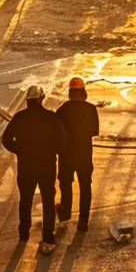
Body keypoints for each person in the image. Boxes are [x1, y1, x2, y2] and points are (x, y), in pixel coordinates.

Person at [2, 84, 65, 252]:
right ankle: (48, 235)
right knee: (48, 201)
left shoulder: (20, 117)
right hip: (46, 166)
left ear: (28, 100)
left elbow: (6, 139)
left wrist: (19, 150)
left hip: (26, 167)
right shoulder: (51, 117)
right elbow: (62, 142)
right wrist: (51, 151)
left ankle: (23, 233)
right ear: (41, 99)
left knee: (25, 200)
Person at [56, 77, 100, 231]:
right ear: (83, 93)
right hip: (84, 156)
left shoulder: (62, 110)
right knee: (85, 188)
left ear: (70, 93)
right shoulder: (90, 109)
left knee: (65, 185)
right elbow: (94, 131)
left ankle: (65, 213)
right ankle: (83, 222)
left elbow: (57, 134)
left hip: (66, 156)